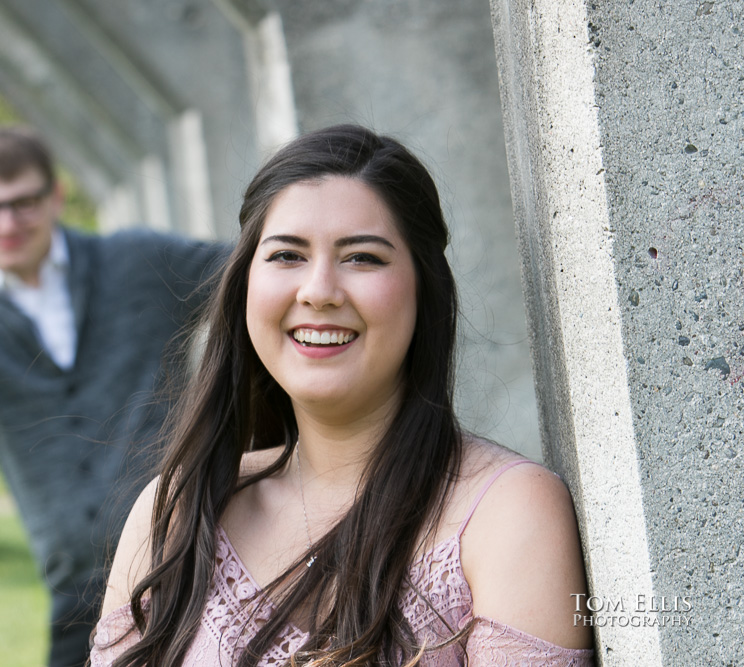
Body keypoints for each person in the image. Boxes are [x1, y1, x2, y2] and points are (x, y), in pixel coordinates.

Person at [91, 125, 595, 666]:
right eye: (287, 255)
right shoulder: (175, 512)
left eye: (362, 258)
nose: (319, 292)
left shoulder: (506, 512)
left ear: (425, 291)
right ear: (244, 285)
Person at [0, 125, 227, 666]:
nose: (6, 223)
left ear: (55, 196)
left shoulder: (141, 261)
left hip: (192, 557)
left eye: (23, 203)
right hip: (80, 594)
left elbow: (251, 273)